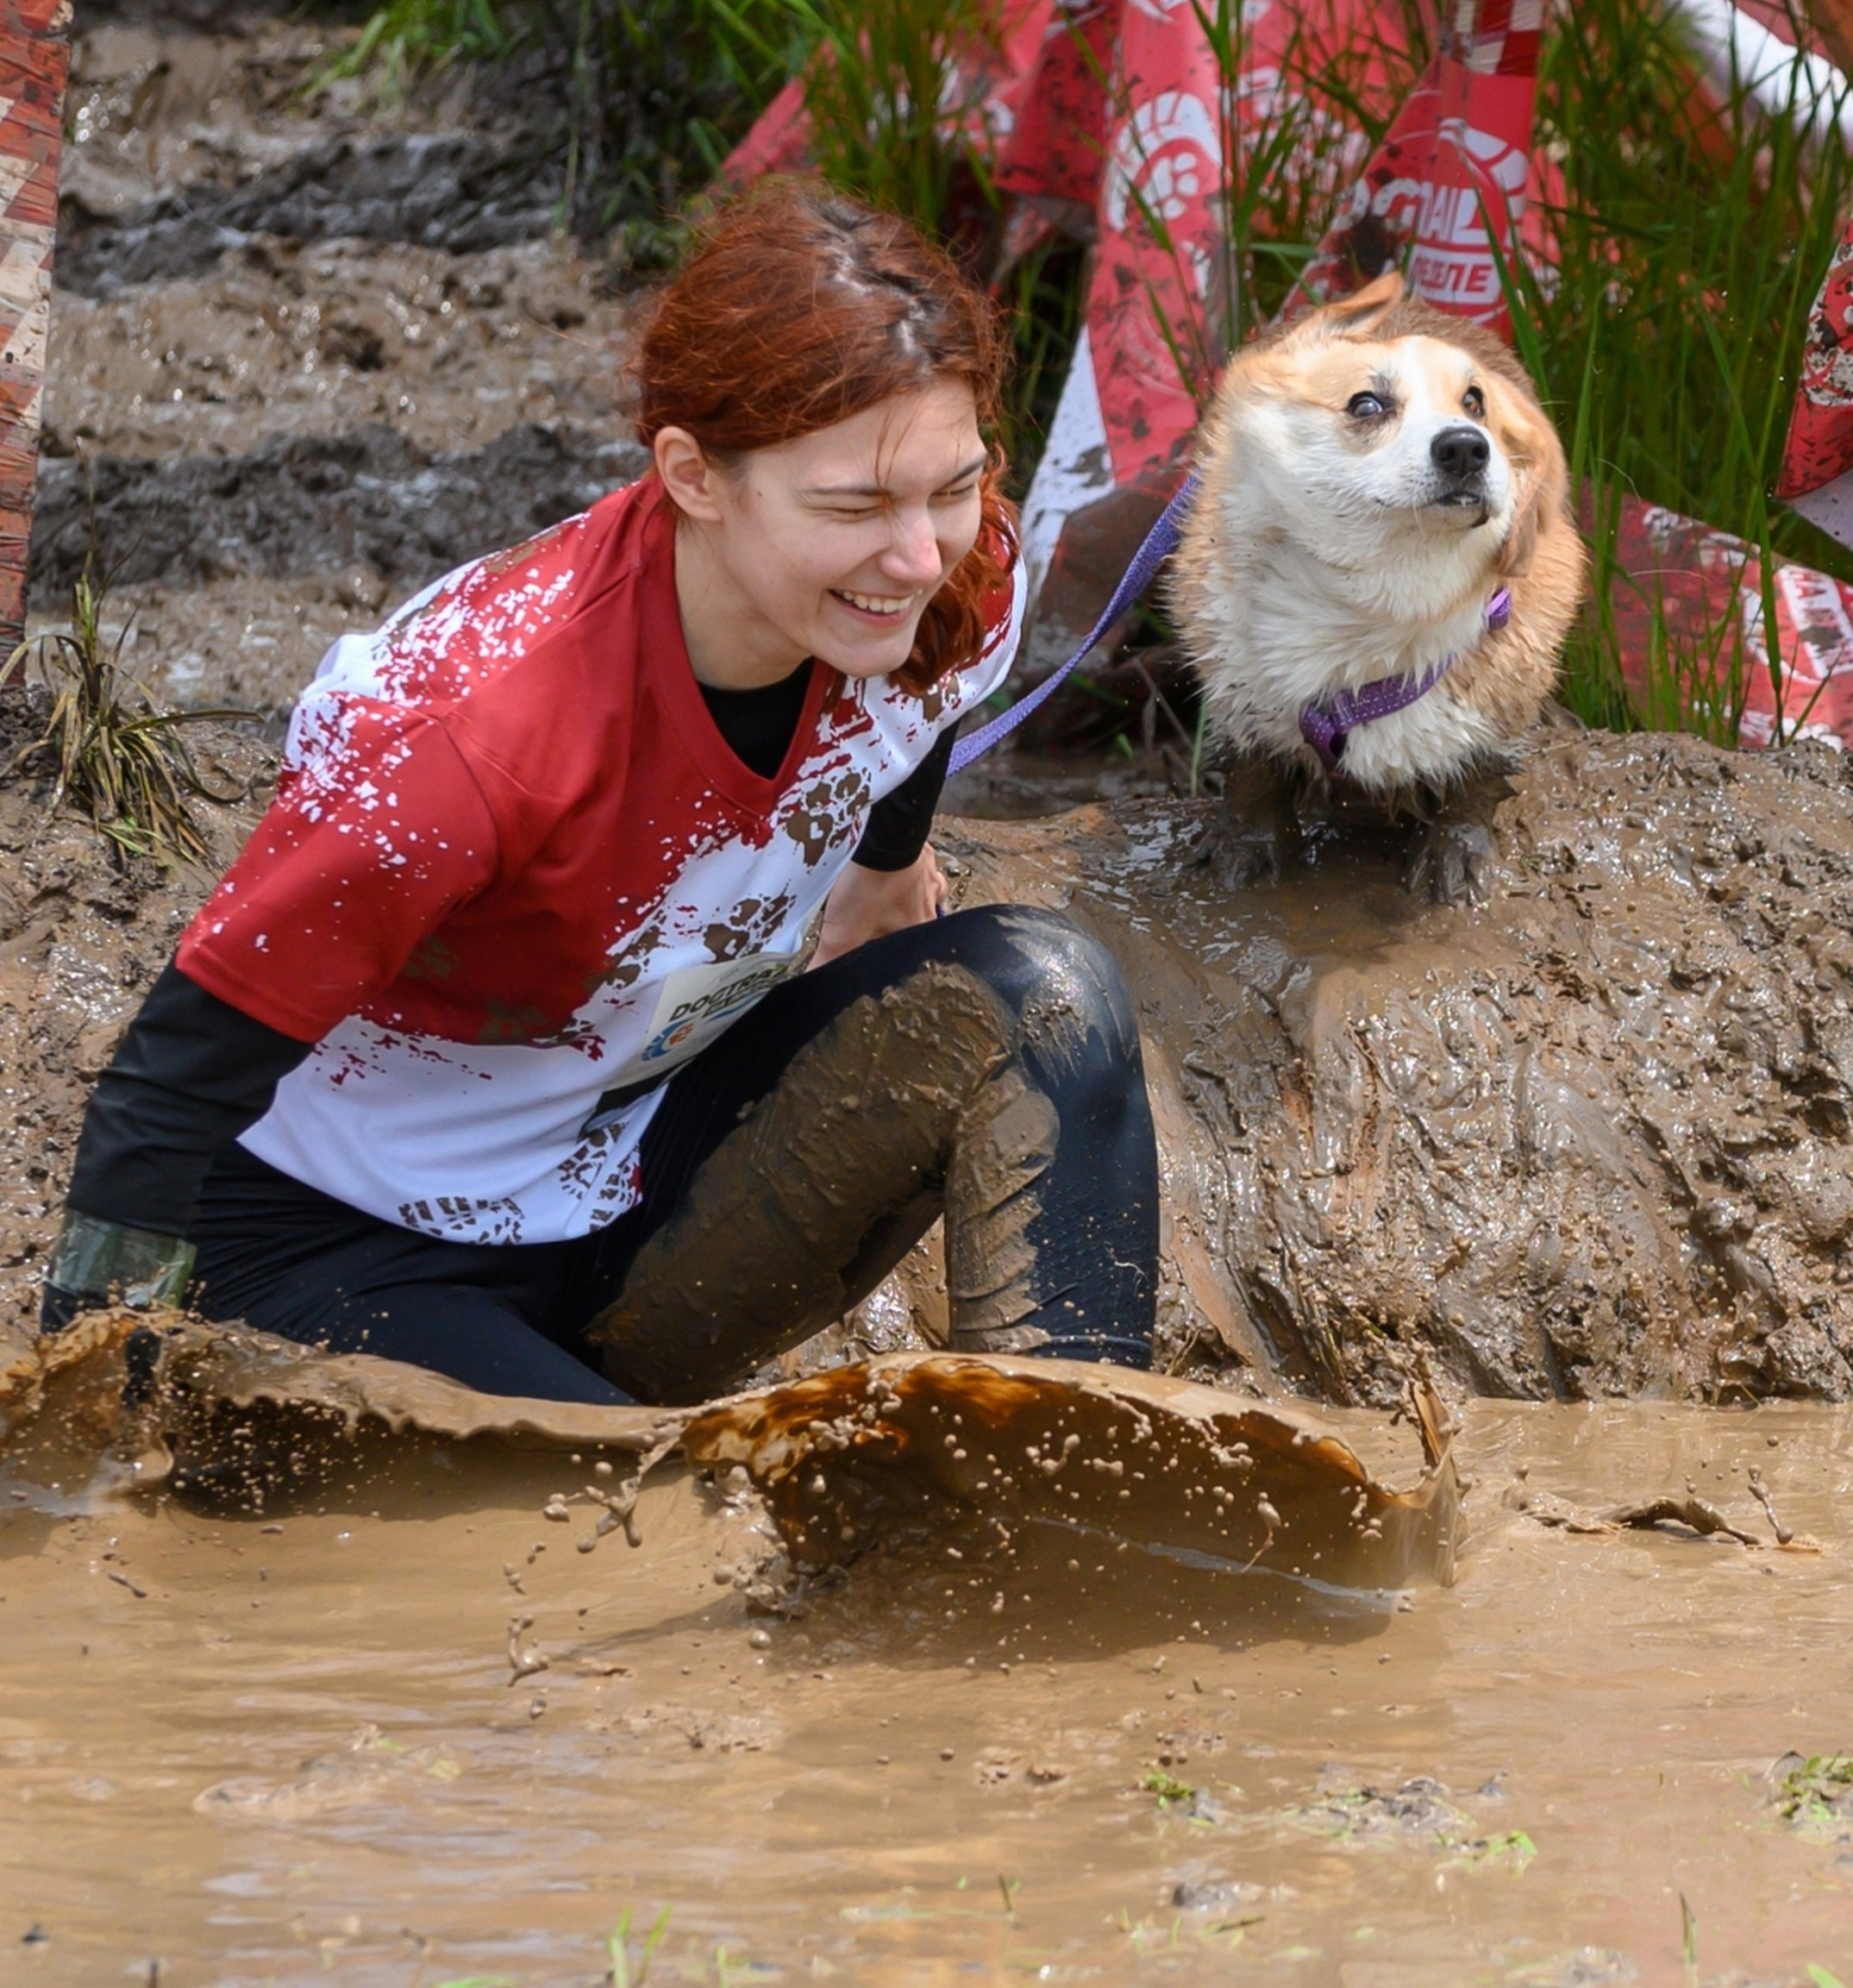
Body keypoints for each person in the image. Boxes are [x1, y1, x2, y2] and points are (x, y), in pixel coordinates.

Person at [44, 181, 1160, 1407]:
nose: (915, 552)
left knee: (1047, 995)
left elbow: (926, 693)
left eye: (950, 486)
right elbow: (166, 1086)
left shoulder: (948, 572)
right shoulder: (471, 739)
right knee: (668, 1544)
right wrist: (96, 1421)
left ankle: (1065, 1521)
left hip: (636, 1175)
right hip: (338, 1254)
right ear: (692, 473)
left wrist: (887, 867)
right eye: (853, 506)